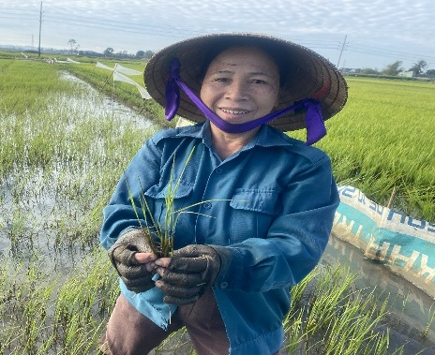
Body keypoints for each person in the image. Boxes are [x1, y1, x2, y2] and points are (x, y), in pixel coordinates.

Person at [99, 33, 348, 355]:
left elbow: (298, 247)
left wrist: (226, 261)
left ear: (279, 93)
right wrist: (127, 241)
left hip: (240, 308)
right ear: (199, 85)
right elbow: (123, 208)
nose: (237, 94)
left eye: (258, 81)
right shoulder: (163, 148)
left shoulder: (305, 166)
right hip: (148, 296)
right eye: (222, 78)